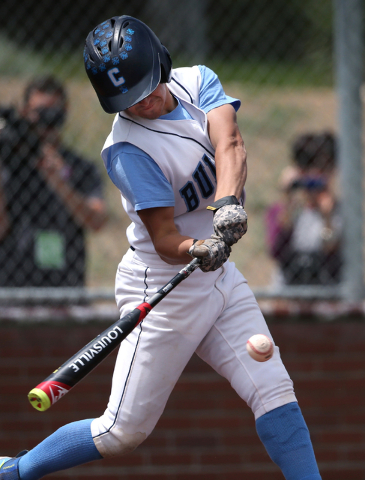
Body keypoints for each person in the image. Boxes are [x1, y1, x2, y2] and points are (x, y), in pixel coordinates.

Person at [0, 16, 322, 480]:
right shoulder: (127, 149)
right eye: (129, 98)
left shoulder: (197, 81)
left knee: (274, 391)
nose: (143, 103)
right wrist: (198, 247)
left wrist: (227, 204)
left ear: (162, 63)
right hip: (163, 282)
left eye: (148, 88)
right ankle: (14, 471)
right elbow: (165, 237)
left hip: (221, 276)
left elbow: (230, 142)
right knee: (121, 432)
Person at [0, 76, 107, 287]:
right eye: (40, 113)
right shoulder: (8, 165)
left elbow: (96, 221)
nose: (47, 120)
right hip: (11, 287)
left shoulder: (80, 167)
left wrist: (58, 180)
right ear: (25, 112)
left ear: (65, 111)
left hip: (65, 285)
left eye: (53, 112)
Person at [266, 132, 342, 286]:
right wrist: (288, 199)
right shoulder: (281, 210)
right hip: (289, 294)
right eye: (307, 167)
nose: (314, 174)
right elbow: (277, 250)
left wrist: (327, 219)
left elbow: (333, 257)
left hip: (327, 295)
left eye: (322, 168)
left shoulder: (340, 212)